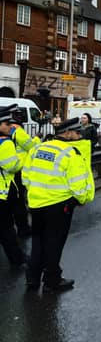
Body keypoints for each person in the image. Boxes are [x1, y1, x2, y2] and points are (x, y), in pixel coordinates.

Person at [22, 117, 95, 291]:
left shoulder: (38, 148)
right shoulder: (71, 153)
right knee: (54, 243)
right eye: (77, 133)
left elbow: (26, 176)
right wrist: (82, 200)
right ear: (68, 133)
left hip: (36, 203)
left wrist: (35, 193)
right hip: (59, 206)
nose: (79, 136)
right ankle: (51, 280)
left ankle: (32, 278)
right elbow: (78, 185)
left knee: (38, 241)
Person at [0, 108, 29, 268]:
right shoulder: (5, 143)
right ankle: (17, 259)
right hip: (3, 192)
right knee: (6, 228)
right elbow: (13, 166)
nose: (10, 126)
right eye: (7, 123)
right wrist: (22, 158)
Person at [6, 104, 39, 237]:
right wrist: (37, 137)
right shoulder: (17, 130)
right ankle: (23, 228)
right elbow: (32, 146)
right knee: (19, 203)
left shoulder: (6, 130)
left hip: (6, 170)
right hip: (18, 169)